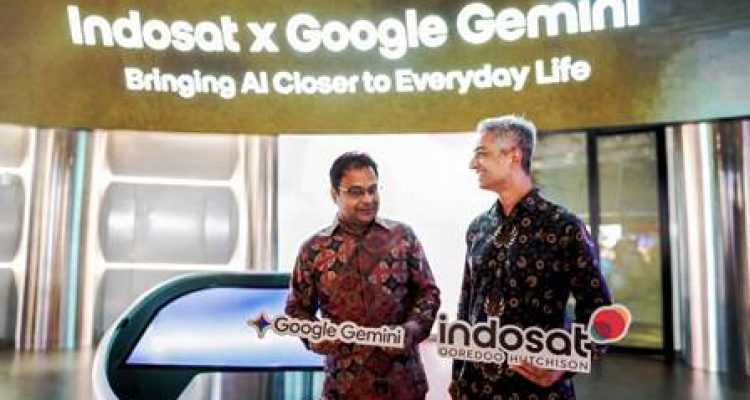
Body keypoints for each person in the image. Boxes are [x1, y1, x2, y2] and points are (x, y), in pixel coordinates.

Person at [450, 115, 612, 400]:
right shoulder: (478, 228)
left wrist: (565, 363)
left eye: (481, 153)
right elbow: (467, 305)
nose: (473, 164)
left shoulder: (562, 225)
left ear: (514, 155)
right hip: (476, 388)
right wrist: (458, 375)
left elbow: (601, 313)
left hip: (536, 390)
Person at [285, 151, 441, 400]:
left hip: (403, 384)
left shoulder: (403, 237)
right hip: (344, 386)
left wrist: (410, 330)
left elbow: (428, 293)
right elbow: (296, 310)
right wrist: (313, 335)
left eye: (373, 190)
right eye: (356, 192)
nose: (368, 199)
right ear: (334, 194)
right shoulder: (314, 249)